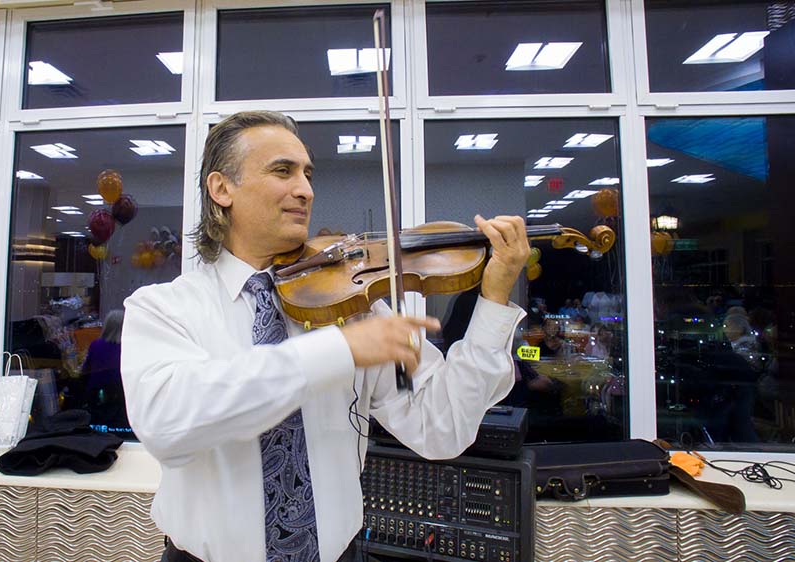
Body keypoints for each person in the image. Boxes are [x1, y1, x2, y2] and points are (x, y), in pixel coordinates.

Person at [121, 111, 529, 562]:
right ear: (222, 189)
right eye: (283, 171)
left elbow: (443, 429)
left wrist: (492, 301)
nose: (306, 190)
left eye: (308, 174)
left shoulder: (354, 309)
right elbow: (167, 424)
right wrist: (335, 352)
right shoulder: (163, 308)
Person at [83, 310, 126, 429]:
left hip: (97, 394)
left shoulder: (96, 344)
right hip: (121, 394)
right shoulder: (129, 347)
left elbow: (86, 369)